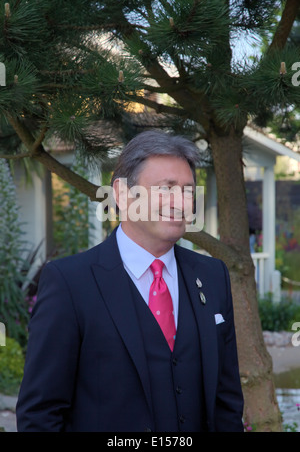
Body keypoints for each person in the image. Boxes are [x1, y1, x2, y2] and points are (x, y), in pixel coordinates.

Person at [16, 130, 244, 432]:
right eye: (166, 188)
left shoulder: (213, 276)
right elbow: (40, 414)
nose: (181, 202)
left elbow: (226, 403)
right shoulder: (69, 283)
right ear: (122, 195)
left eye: (188, 190)